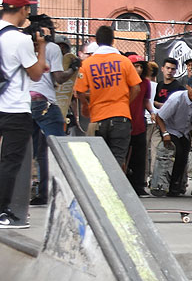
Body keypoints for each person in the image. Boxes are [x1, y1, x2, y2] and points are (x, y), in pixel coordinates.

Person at [0, 0, 49, 229]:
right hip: (15, 108)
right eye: (28, 9)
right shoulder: (20, 39)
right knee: (10, 162)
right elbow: (36, 73)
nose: (29, 13)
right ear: (22, 10)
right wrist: (42, 46)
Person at [73, 25, 142, 171]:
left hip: (98, 118)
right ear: (113, 41)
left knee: (98, 160)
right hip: (121, 117)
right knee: (117, 160)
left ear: (97, 41)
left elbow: (79, 91)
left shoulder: (87, 64)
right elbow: (136, 88)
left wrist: (86, 105)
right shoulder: (124, 61)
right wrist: (124, 103)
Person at [26, 15, 72, 206]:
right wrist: (73, 70)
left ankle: (39, 192)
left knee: (36, 150)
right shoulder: (52, 48)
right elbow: (59, 78)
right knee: (56, 148)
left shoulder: (24, 46)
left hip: (25, 102)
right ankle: (57, 191)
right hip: (44, 101)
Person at [152, 78, 192, 199]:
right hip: (170, 127)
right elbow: (159, 117)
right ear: (187, 87)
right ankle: (164, 185)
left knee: (183, 158)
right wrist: (165, 134)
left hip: (184, 130)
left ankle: (175, 186)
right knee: (175, 155)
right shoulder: (176, 99)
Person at [147, 58, 186, 196]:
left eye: (173, 69)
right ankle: (158, 184)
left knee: (178, 155)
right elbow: (156, 101)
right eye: (168, 68)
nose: (170, 71)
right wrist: (164, 107)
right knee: (158, 153)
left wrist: (168, 107)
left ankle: (179, 185)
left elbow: (180, 106)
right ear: (162, 69)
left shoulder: (178, 87)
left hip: (175, 127)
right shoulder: (160, 85)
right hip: (160, 122)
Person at [123, 54, 152, 196]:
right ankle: (124, 184)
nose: (139, 69)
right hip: (124, 122)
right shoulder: (123, 81)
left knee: (139, 157)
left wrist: (152, 111)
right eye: (136, 66)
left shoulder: (145, 83)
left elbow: (146, 100)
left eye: (141, 66)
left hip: (139, 123)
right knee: (123, 156)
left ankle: (139, 186)